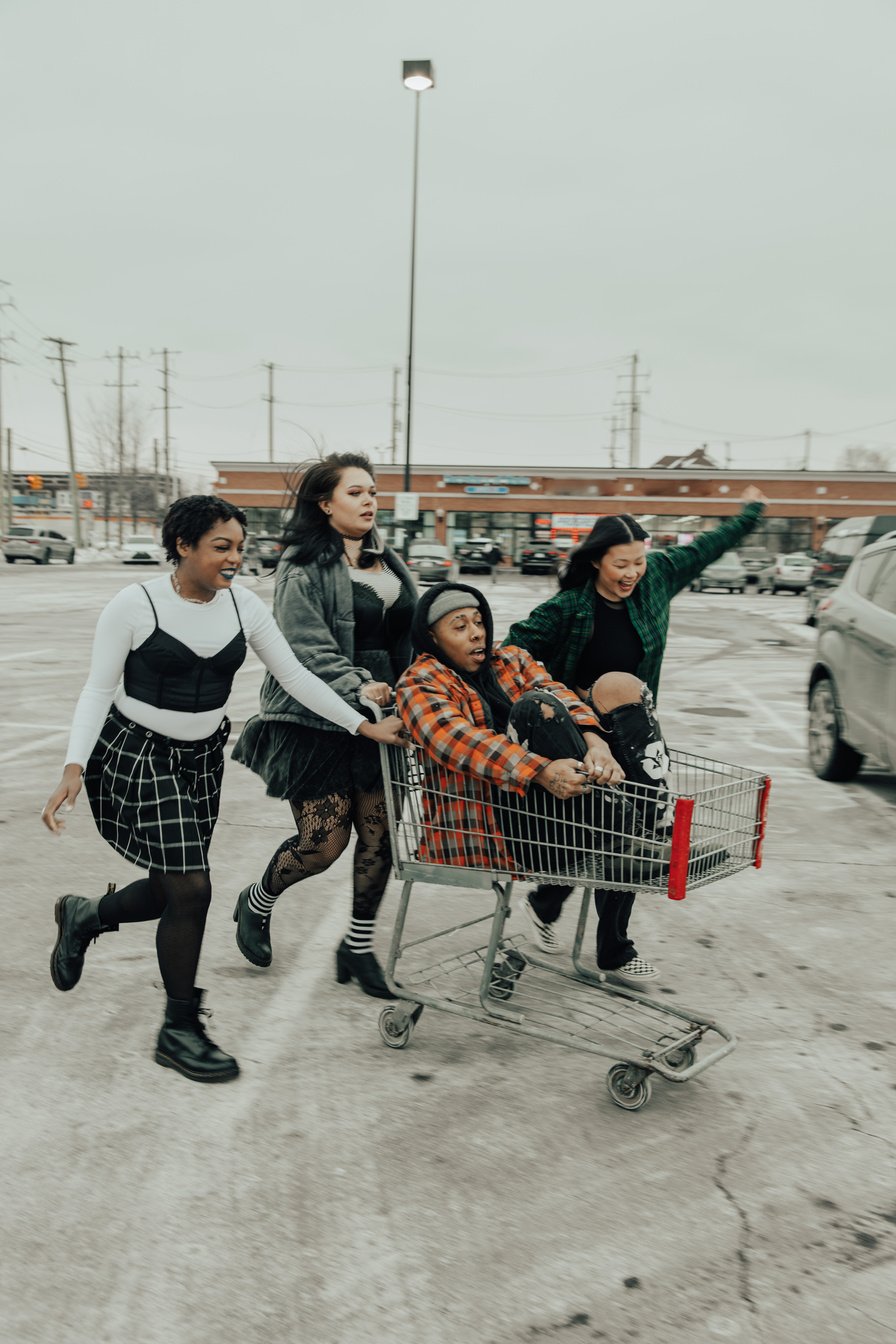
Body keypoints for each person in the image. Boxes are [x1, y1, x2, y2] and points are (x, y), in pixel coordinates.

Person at [41, 495, 405, 1085]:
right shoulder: (134, 606)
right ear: (182, 547)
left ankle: (87, 915)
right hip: (137, 753)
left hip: (201, 758)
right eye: (221, 548)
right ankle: (178, 1028)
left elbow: (294, 675)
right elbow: (95, 690)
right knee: (192, 889)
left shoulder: (244, 607)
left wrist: (359, 724)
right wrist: (73, 766)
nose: (236, 559)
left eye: (240, 547)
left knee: (170, 892)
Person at [504, 485, 768, 984]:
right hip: (579, 739)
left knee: (626, 832)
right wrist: (568, 695)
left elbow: (710, 545)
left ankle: (594, 933)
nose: (631, 574)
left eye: (637, 563)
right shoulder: (566, 609)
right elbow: (511, 655)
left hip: (635, 735)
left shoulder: (658, 579)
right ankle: (593, 916)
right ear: (597, 561)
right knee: (616, 831)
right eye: (621, 564)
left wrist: (752, 511)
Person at [231, 452, 417, 999]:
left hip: (384, 717)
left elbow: (412, 634)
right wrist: (361, 685)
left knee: (381, 838)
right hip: (316, 717)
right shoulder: (303, 566)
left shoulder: (390, 561)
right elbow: (304, 648)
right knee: (324, 842)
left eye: (372, 492)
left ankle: (357, 947)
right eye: (355, 492)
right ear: (325, 502)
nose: (369, 501)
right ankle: (257, 901)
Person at [395, 582, 629, 879]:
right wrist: (542, 772)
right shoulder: (419, 682)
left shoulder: (512, 660)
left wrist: (597, 744)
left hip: (562, 814)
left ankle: (649, 830)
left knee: (623, 691)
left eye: (479, 622)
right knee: (534, 707)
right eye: (460, 627)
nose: (477, 632)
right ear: (433, 638)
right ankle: (626, 835)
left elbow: (560, 694)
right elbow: (459, 743)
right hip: (496, 829)